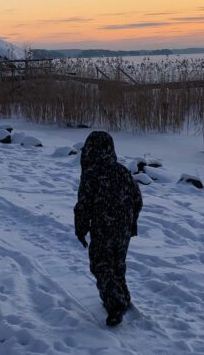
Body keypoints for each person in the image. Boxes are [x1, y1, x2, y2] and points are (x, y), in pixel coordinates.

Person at [74, 131, 143, 327]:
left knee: (100, 264)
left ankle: (115, 304)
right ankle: (123, 296)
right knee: (117, 263)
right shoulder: (121, 171)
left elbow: (84, 204)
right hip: (123, 228)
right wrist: (131, 220)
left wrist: (81, 228)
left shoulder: (91, 174)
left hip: (103, 226)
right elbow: (137, 198)